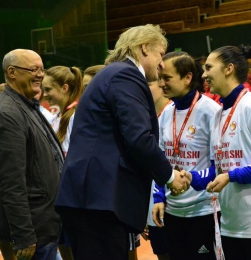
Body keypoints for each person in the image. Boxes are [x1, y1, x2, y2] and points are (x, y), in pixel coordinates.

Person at [55, 24, 191, 260]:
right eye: (160, 54)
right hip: (98, 200)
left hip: (93, 199)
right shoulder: (124, 75)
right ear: (144, 48)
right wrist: (169, 176)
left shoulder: (113, 74)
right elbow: (138, 138)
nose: (162, 64)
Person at [189, 45, 251, 260]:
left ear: (228, 69)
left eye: (209, 67)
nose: (204, 74)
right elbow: (217, 169)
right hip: (229, 225)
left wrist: (231, 176)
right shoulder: (218, 115)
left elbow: (228, 173)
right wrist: (189, 178)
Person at [152, 51, 221, 260]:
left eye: (167, 78)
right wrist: (158, 196)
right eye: (159, 78)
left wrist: (194, 179)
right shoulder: (166, 112)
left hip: (203, 211)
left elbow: (219, 165)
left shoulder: (211, 111)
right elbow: (160, 159)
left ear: (188, 77)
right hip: (172, 212)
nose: (161, 84)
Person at [0, 49, 64, 260]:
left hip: (45, 227)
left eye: (41, 69)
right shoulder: (8, 113)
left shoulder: (26, 105)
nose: (40, 75)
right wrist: (24, 235)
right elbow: (11, 181)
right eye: (33, 69)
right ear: (12, 72)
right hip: (34, 234)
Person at [42, 65, 83, 260]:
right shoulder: (57, 118)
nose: (44, 94)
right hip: (62, 199)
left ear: (64, 88)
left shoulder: (78, 116)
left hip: (76, 201)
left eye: (48, 89)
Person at [146, 80, 171, 260]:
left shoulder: (174, 113)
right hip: (152, 205)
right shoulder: (143, 118)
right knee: (162, 254)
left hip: (179, 204)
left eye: (148, 84)